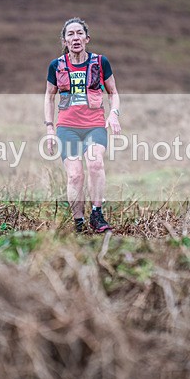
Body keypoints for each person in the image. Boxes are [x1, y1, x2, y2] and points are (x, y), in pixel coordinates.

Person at [44, 17, 121, 233]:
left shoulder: (100, 62)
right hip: (67, 127)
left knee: (95, 164)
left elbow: (113, 93)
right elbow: (49, 98)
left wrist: (114, 114)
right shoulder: (56, 66)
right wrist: (50, 129)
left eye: (79, 33)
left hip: (94, 124)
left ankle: (97, 214)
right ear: (64, 40)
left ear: (87, 38)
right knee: (75, 175)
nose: (75, 37)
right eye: (70, 34)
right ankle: (78, 223)